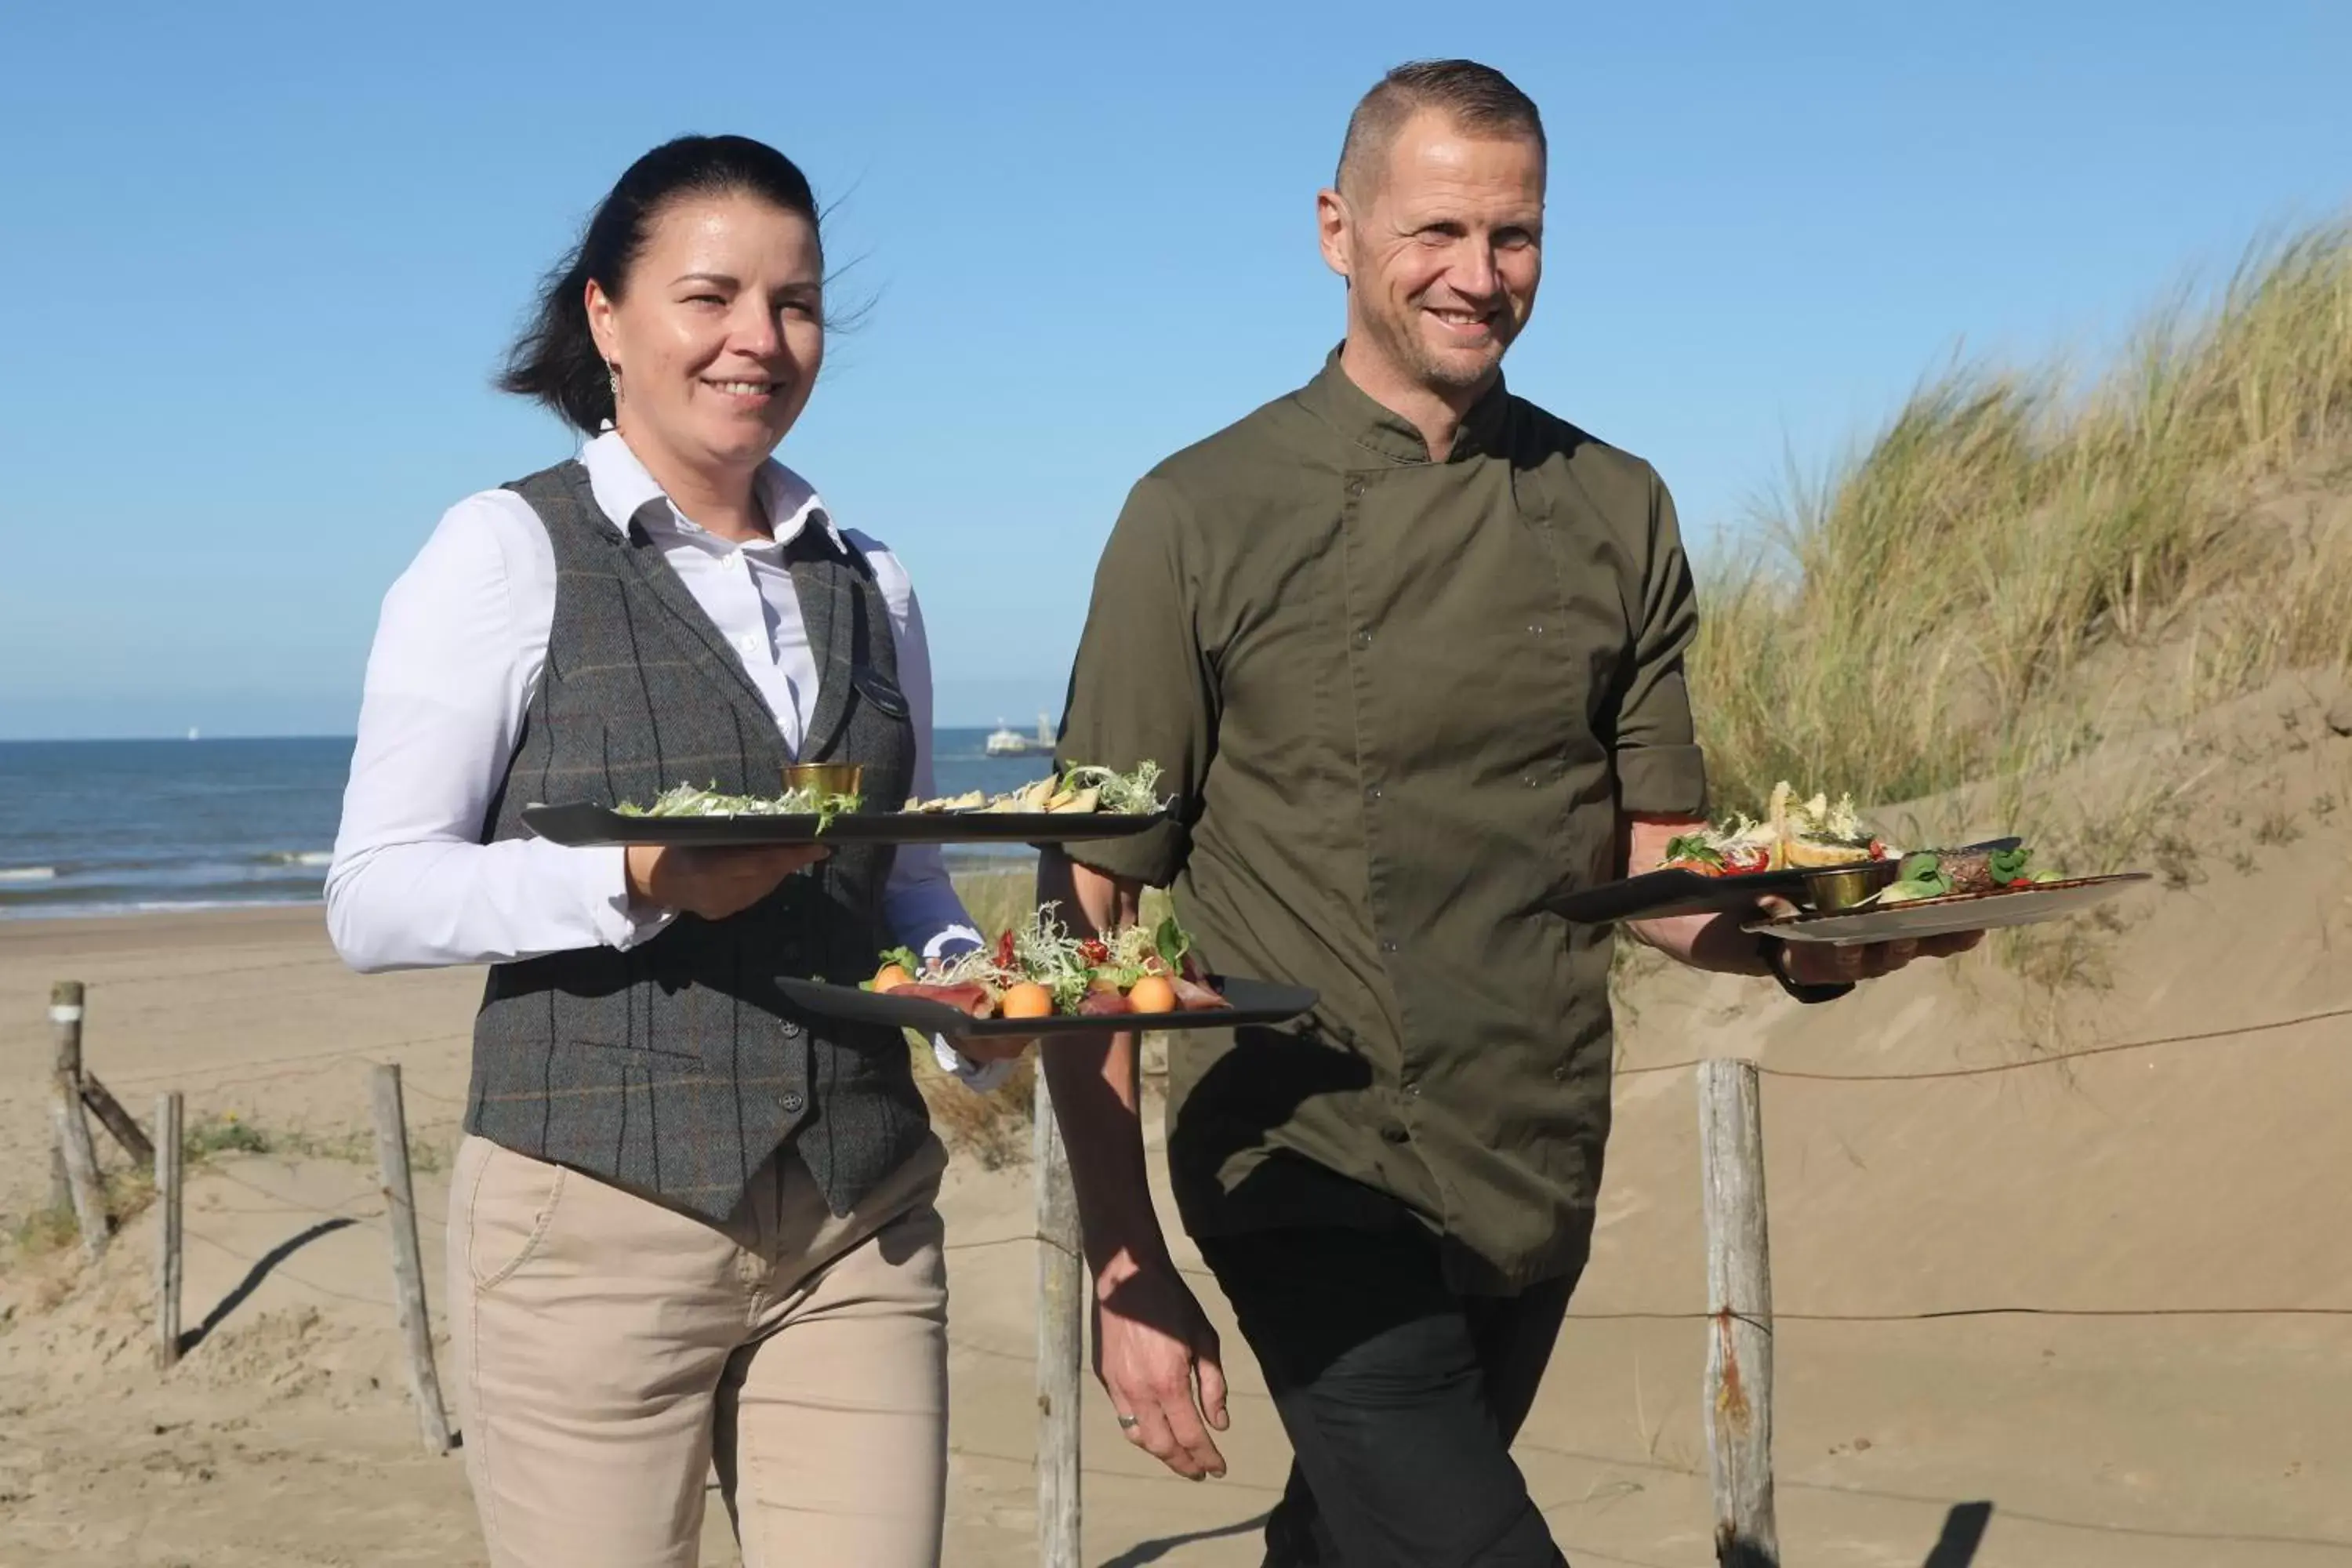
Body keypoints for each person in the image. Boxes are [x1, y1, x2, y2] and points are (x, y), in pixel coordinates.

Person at [1037, 60, 1982, 1566]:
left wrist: (1814, 946)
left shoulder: (1619, 505)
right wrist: (1119, 1252)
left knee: (1353, 1545)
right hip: (1305, 1166)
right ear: (1338, 229)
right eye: (1437, 232)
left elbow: (1654, 869)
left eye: (1516, 235)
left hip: (1536, 1164)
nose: (1479, 276)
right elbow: (1080, 919)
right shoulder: (1197, 515)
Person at [325, 133, 1023, 1568]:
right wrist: (634, 880)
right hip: (591, 1224)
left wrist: (971, 1000)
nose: (758, 343)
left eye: (796, 303)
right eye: (711, 298)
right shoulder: (504, 551)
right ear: (606, 318)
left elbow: (903, 876)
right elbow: (374, 895)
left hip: (859, 1216)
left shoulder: (872, 579)